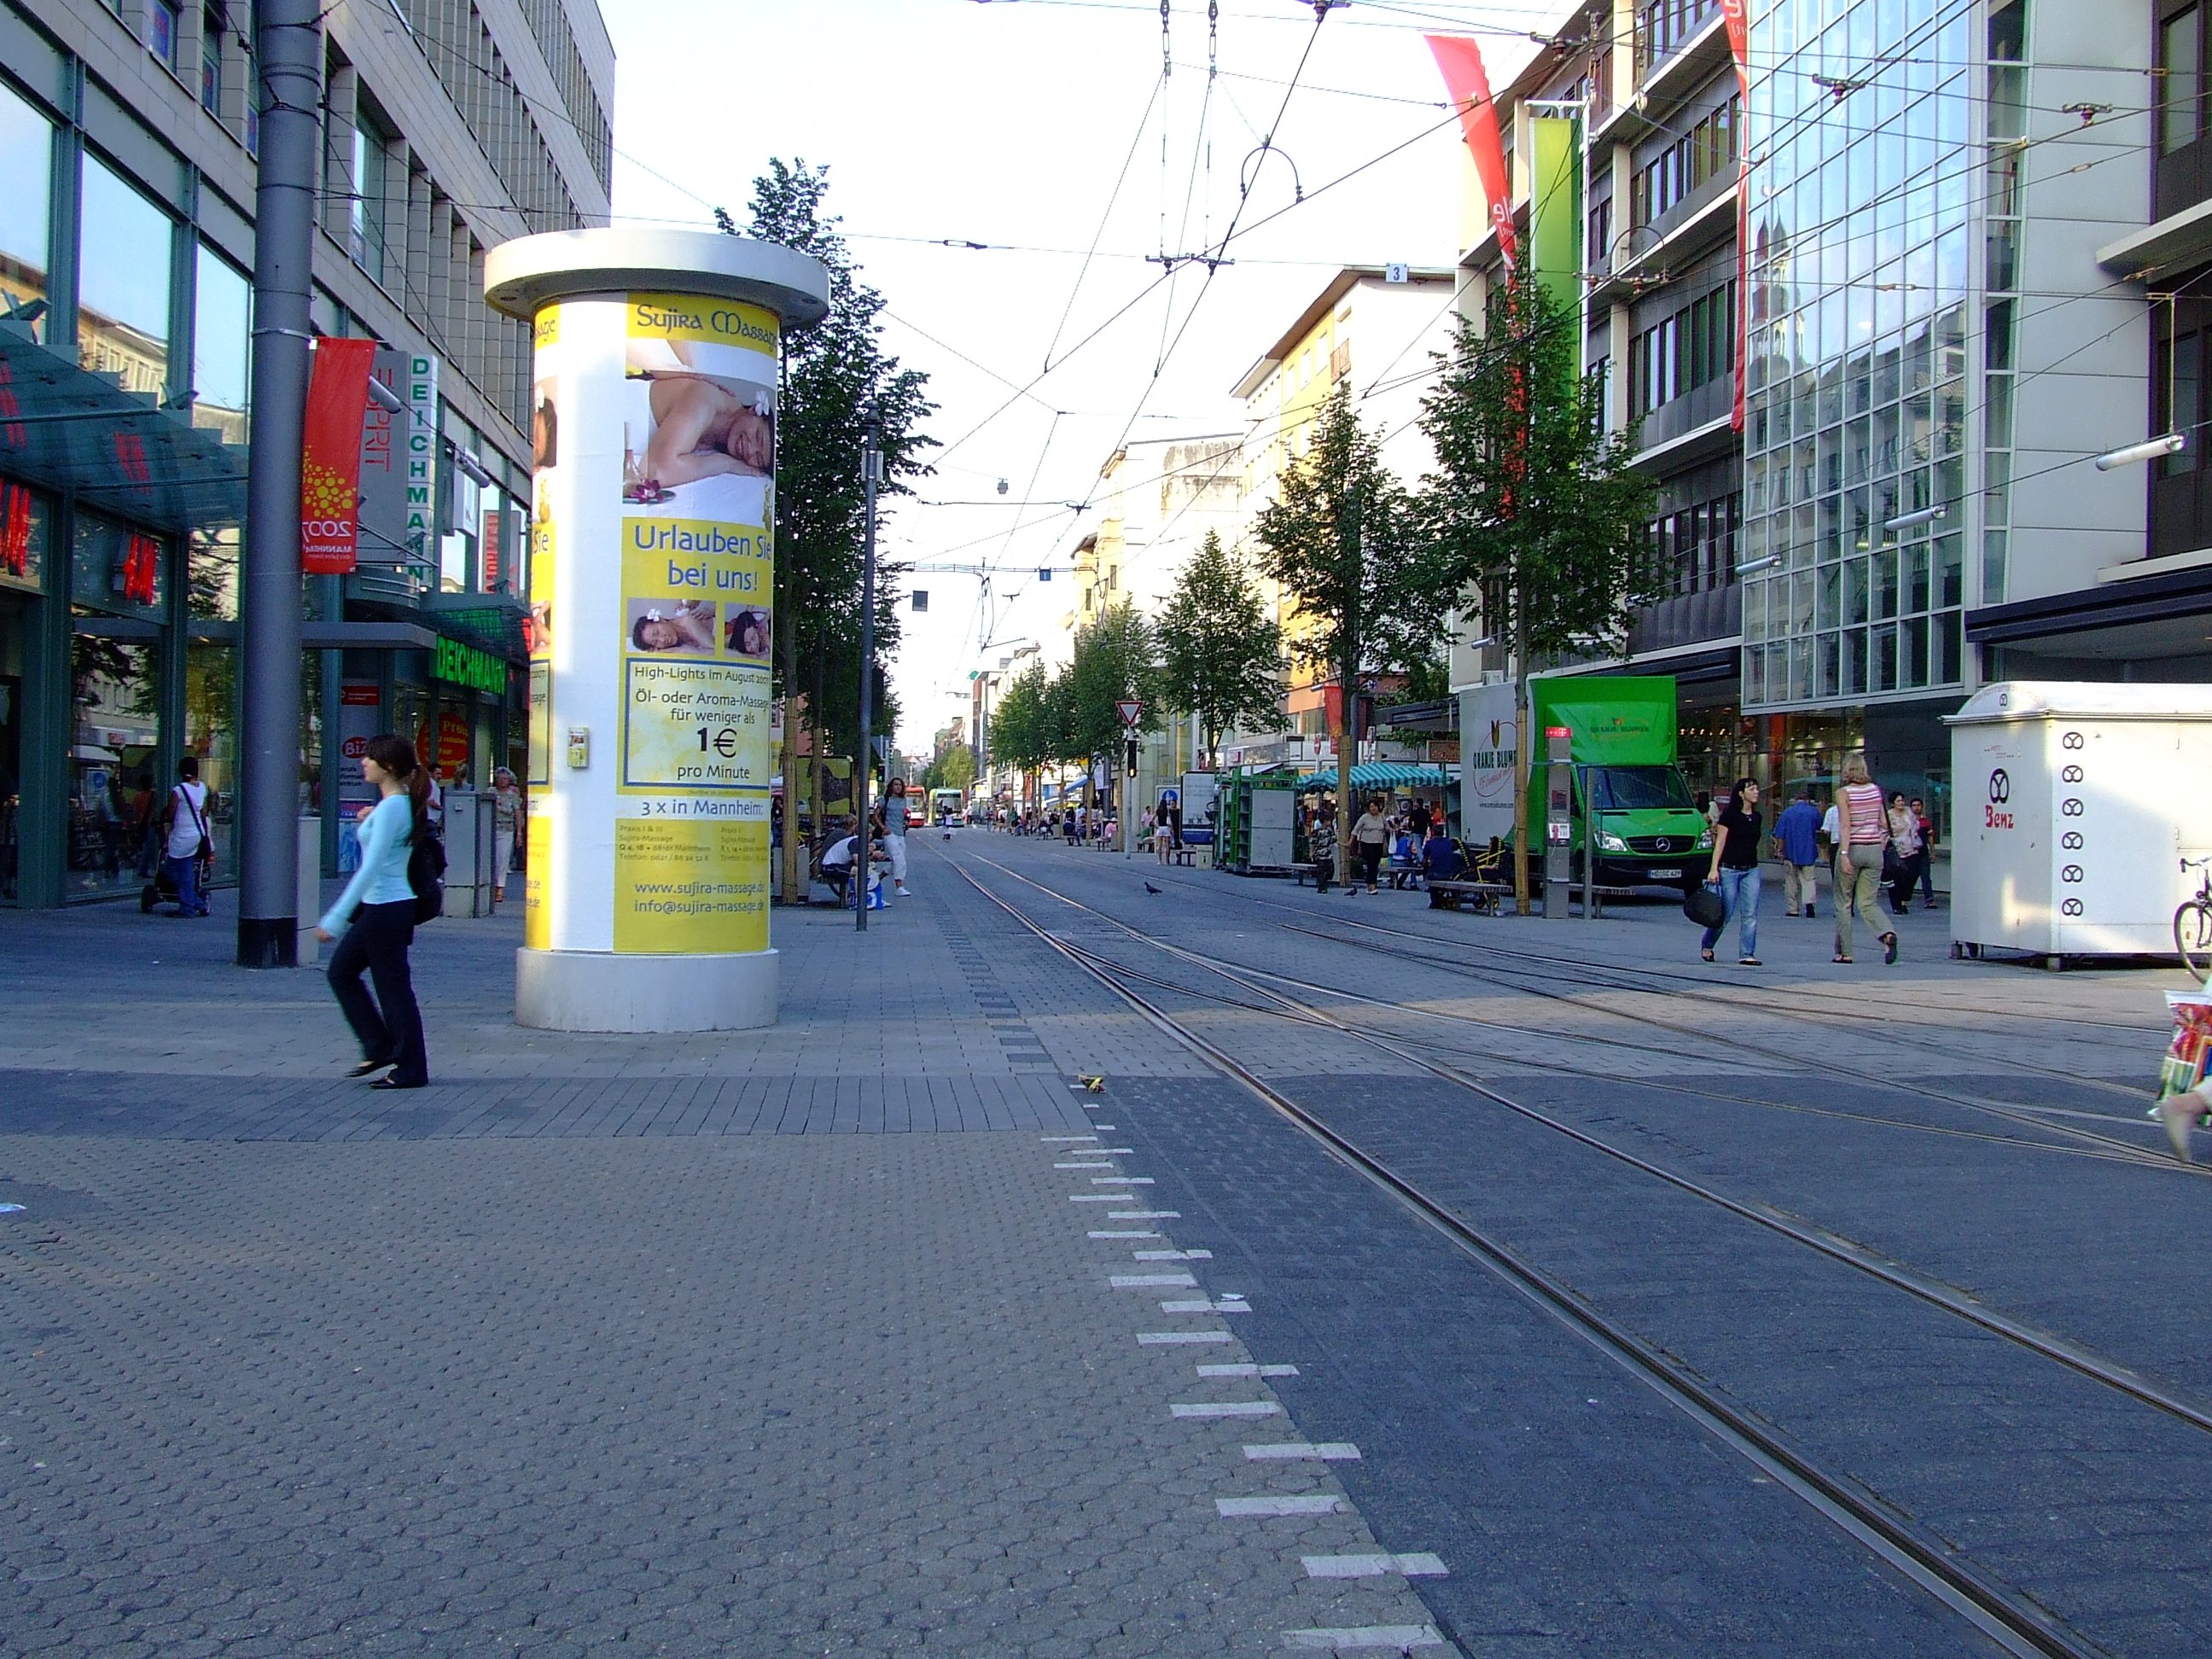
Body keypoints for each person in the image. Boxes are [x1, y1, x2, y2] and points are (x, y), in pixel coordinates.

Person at [316, 734, 430, 1090]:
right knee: (342, 972)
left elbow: (372, 867)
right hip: (381, 908)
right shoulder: (391, 806)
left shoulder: (394, 807)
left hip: (388, 909)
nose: (363, 762)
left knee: (392, 989)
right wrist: (369, 819)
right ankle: (379, 1046)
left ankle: (409, 1067)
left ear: (389, 766)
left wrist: (336, 917)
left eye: (370, 758)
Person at [642, 376, 773, 489]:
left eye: (759, 459)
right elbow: (657, 472)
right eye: (758, 436)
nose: (750, 450)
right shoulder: (707, 399)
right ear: (753, 410)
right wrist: (725, 464)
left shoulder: (721, 438)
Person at [1832, 752, 1899, 965]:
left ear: (1846, 770)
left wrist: (1844, 854)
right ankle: (1887, 933)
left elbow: (1845, 825)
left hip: (1853, 848)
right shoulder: (1875, 791)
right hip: (1874, 850)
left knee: (1844, 902)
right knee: (1868, 901)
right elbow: (1884, 823)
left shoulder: (1843, 793)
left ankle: (1846, 952)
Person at [1700, 777, 1764, 965]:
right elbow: (1720, 843)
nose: (1756, 792)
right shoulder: (1729, 815)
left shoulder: (1757, 817)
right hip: (1729, 869)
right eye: (1752, 789)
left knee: (1750, 914)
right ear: (1741, 794)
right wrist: (1714, 869)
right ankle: (1708, 944)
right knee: (1725, 913)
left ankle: (1747, 953)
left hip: (1751, 869)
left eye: (1757, 789)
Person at [159, 757, 213, 918]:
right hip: (196, 834)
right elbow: (204, 812)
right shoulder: (202, 788)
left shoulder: (179, 790)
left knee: (172, 870)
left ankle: (191, 905)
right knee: (187, 870)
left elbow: (170, 813)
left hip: (181, 835)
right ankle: (194, 903)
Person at [1773, 785, 1823, 919]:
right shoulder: (1813, 812)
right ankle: (1809, 904)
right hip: (1808, 851)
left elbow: (1780, 834)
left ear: (1795, 800)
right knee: (1809, 879)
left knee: (1791, 881)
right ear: (1807, 800)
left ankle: (1793, 909)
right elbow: (1820, 826)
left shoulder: (1787, 813)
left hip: (1790, 851)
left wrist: (1780, 850)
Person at [1885, 792, 1924, 915]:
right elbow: (1883, 831)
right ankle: (1897, 905)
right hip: (1896, 849)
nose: (1901, 803)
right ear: (1893, 803)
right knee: (1897, 878)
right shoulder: (1888, 815)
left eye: (1902, 800)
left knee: (1912, 874)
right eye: (1898, 801)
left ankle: (1904, 899)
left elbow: (1916, 825)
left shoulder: (1908, 811)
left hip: (1911, 847)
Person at [490, 767, 524, 904]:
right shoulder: (490, 792)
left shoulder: (512, 795)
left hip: (506, 829)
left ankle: (499, 889)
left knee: (503, 859)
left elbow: (518, 813)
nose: (503, 781)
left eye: (505, 779)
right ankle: (490, 886)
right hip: (490, 828)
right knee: (490, 860)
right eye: (500, 779)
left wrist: (519, 833)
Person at [631, 600, 716, 653]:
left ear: (661, 620)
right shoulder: (675, 645)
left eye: (657, 632)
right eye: (655, 642)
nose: (662, 640)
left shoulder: (688, 622)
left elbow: (716, 654)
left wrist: (683, 651)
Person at [1349, 795, 1392, 895]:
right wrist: (1351, 841)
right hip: (1367, 844)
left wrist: (1394, 830)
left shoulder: (1381, 817)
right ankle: (1371, 885)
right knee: (1371, 864)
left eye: (1375, 806)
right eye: (1371, 807)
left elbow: (1387, 828)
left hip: (1378, 843)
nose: (1373, 808)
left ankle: (1371, 884)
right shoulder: (1365, 817)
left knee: (1375, 864)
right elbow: (1356, 829)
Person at [819, 815, 860, 905]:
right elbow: (852, 851)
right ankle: (859, 900)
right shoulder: (842, 834)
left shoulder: (844, 834)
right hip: (830, 865)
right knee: (859, 871)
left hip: (834, 863)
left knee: (860, 869)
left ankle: (860, 897)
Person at [882, 777, 912, 897]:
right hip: (889, 833)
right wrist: (884, 828)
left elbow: (903, 815)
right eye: (895, 784)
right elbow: (876, 815)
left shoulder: (903, 800)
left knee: (897, 860)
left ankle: (878, 878)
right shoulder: (885, 799)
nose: (898, 787)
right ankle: (899, 887)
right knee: (899, 858)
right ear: (891, 786)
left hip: (900, 833)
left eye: (900, 785)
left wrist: (905, 822)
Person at [1423, 822, 1464, 906]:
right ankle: (1453, 898)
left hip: (1435, 874)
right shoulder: (1449, 843)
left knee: (1431, 878)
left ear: (1433, 833)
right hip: (1450, 873)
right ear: (1443, 833)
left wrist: (1425, 866)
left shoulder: (1430, 843)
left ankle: (1434, 901)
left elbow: (1424, 860)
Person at [1912, 796, 1938, 909]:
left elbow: (1930, 838)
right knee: (1909, 877)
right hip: (1910, 853)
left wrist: (1933, 852)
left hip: (1923, 853)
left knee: (1926, 877)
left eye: (1918, 805)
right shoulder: (1908, 821)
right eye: (1914, 805)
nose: (1916, 808)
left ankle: (1929, 900)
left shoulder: (1926, 822)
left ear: (1922, 807)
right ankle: (1903, 899)